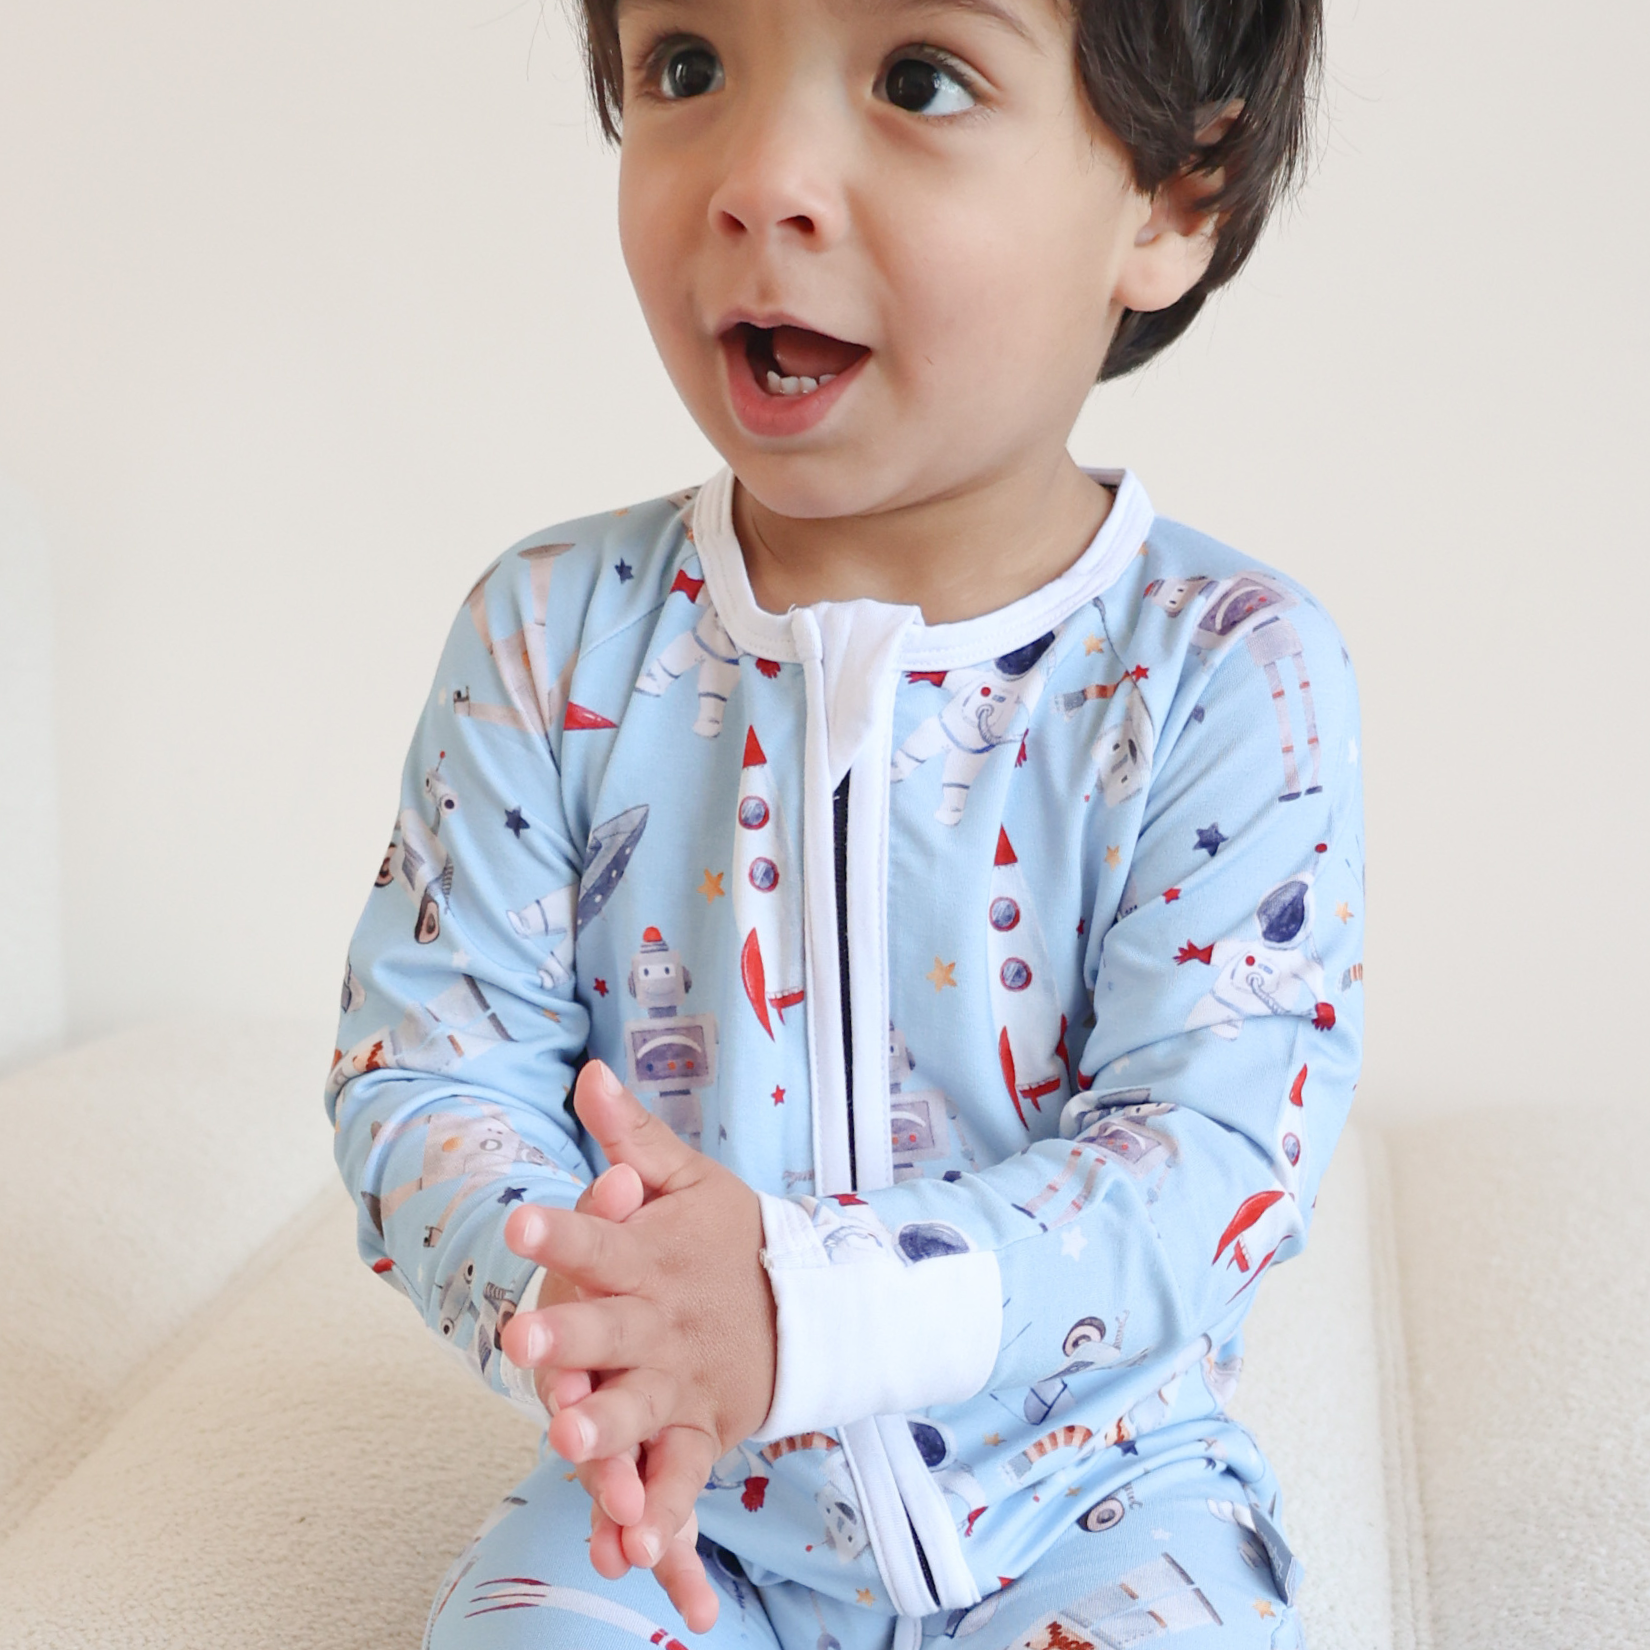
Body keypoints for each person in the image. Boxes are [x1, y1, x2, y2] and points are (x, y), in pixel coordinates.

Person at [327, 0, 1363, 1645]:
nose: (762, 178)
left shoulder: (1225, 668)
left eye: (918, 80)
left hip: (1092, 1494)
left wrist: (807, 1305)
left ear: (1176, 195)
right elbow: (427, 1069)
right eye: (686, 66)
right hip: (680, 1488)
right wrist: (600, 1307)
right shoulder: (553, 634)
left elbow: (1209, 1154)